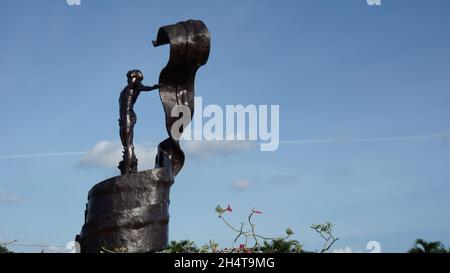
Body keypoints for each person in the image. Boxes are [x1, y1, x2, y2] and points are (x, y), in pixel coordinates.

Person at [118, 69, 160, 174]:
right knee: (125, 144)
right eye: (128, 78)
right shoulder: (126, 89)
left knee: (128, 144)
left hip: (129, 115)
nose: (129, 80)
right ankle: (128, 166)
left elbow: (145, 88)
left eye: (131, 77)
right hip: (123, 118)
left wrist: (156, 86)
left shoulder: (135, 86)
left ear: (136, 79)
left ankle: (128, 172)